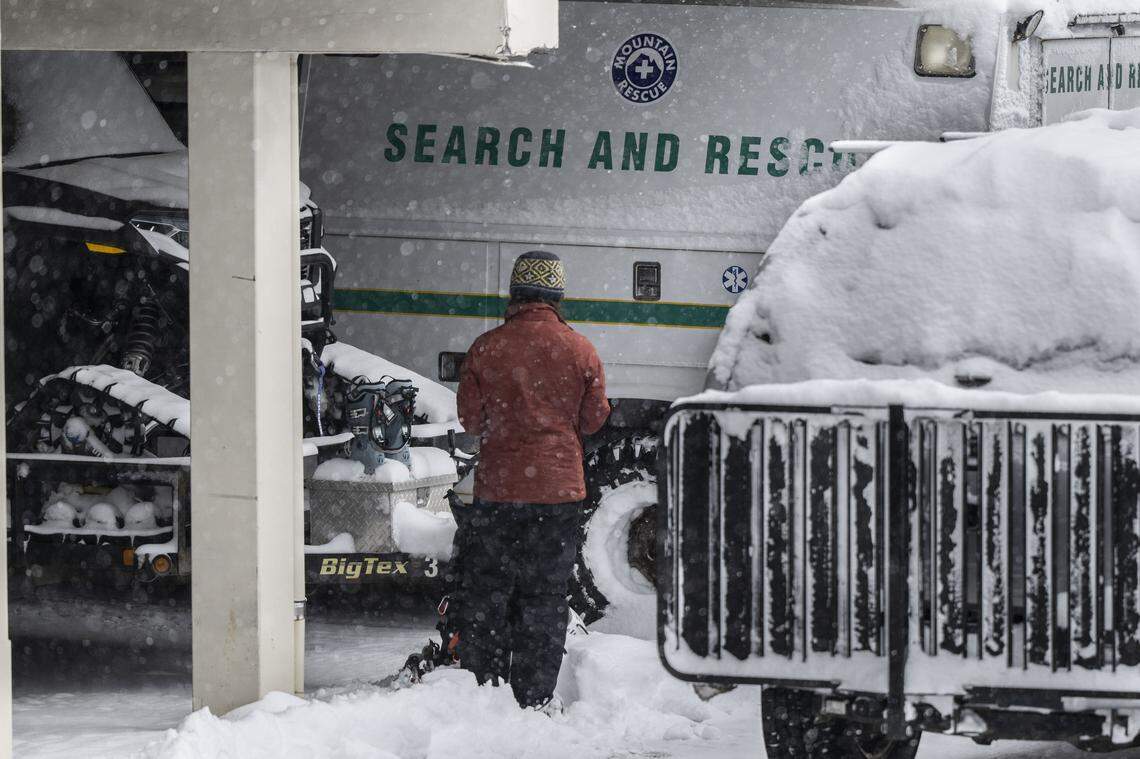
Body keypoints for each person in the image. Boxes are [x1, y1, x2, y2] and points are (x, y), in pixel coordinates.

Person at [455, 250, 610, 711]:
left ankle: (485, 688)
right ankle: (534, 693)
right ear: (557, 296)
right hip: (558, 492)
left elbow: (468, 420)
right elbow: (595, 418)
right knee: (544, 594)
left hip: (499, 490)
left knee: (489, 590)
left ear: (515, 294)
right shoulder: (580, 348)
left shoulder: (487, 347)